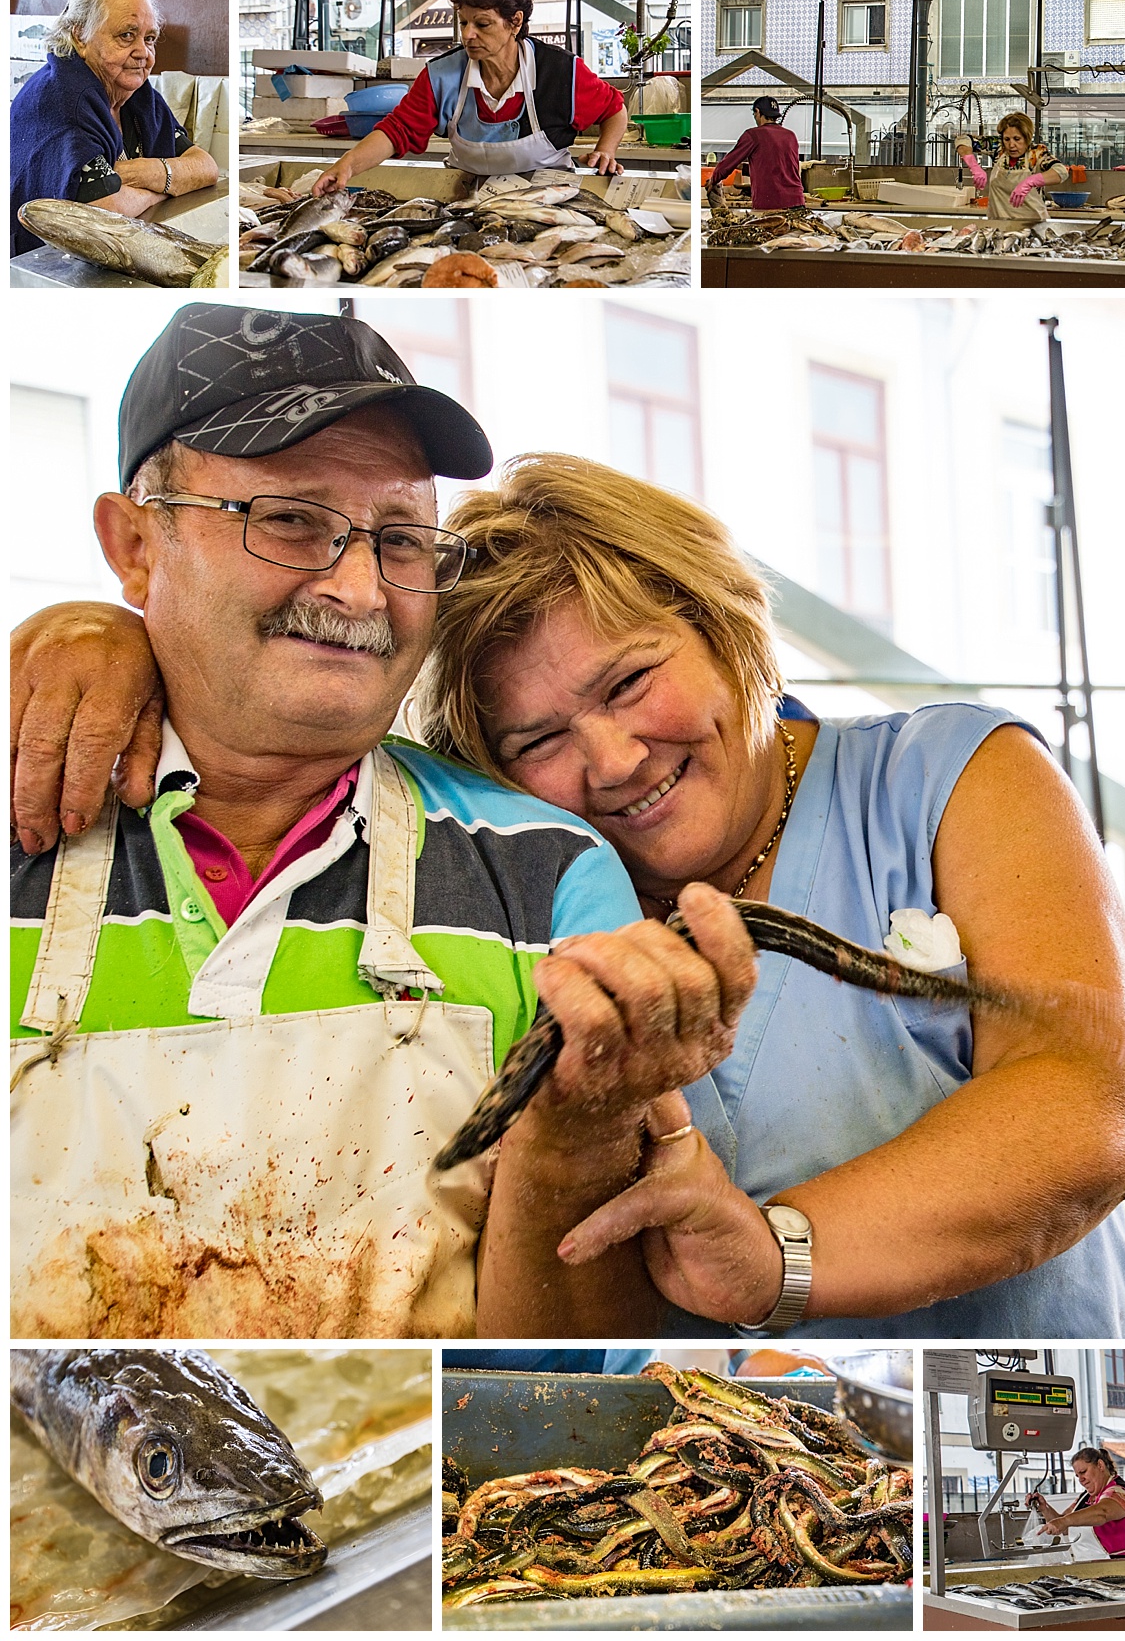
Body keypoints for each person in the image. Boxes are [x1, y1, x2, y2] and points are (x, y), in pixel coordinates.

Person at [16, 456, 1125, 1340]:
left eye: (630, 680)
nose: (612, 758)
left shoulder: (951, 777)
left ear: (722, 624)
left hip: (1023, 1426)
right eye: (542, 738)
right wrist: (100, 634)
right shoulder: (540, 903)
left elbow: (1091, 1099)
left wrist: (776, 1256)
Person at [8, 305, 756, 1342]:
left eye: (401, 538)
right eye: (289, 520)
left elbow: (574, 1358)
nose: (359, 588)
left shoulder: (546, 876)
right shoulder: (25, 805)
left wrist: (574, 1134)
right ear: (136, 545)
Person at [311, 0, 627, 189]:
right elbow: (398, 130)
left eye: (482, 23)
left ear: (515, 22)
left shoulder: (561, 73)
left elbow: (614, 109)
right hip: (467, 203)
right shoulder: (442, 75)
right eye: (463, 22)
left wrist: (605, 150)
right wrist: (346, 166)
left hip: (548, 202)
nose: (468, 35)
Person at [10, 0, 219, 257]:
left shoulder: (138, 96)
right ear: (80, 35)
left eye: (149, 38)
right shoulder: (63, 99)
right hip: (39, 265)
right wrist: (171, 183)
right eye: (126, 35)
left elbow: (206, 167)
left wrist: (149, 172)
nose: (143, 53)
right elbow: (106, 211)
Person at [1029, 1447, 1125, 1558]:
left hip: (1122, 1566)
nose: (1081, 1479)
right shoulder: (1085, 1497)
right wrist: (1044, 1508)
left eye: (1083, 1472)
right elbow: (1064, 1527)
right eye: (1077, 1476)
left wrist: (1063, 1521)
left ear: (1100, 1465)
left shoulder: (1121, 1492)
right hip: (1091, 1567)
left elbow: (1102, 1512)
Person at [954, 112, 1069, 223]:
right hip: (998, 226)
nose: (1011, 145)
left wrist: (1031, 181)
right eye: (1007, 139)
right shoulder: (999, 149)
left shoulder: (1037, 152)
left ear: (1027, 138)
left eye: (1017, 139)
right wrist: (974, 167)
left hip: (1033, 227)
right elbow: (963, 140)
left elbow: (1061, 171)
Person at [706, 97, 805, 212]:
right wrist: (744, 168)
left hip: (772, 204)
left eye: (754, 114)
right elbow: (780, 167)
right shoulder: (790, 136)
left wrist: (713, 179)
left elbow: (729, 162)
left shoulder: (753, 135)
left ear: (757, 111)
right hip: (797, 201)